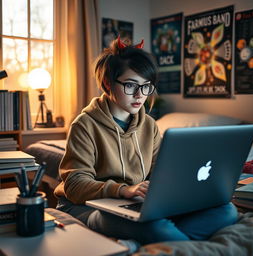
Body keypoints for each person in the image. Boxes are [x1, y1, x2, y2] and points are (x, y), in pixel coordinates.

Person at [54, 36, 238, 252]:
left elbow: (161, 173)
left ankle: (153, 240)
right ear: (107, 83)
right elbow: (74, 185)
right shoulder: (84, 125)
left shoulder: (149, 125)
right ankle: (176, 241)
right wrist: (123, 190)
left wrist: (183, 192)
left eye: (146, 86)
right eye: (131, 85)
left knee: (226, 210)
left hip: (135, 203)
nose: (140, 95)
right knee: (155, 226)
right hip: (87, 207)